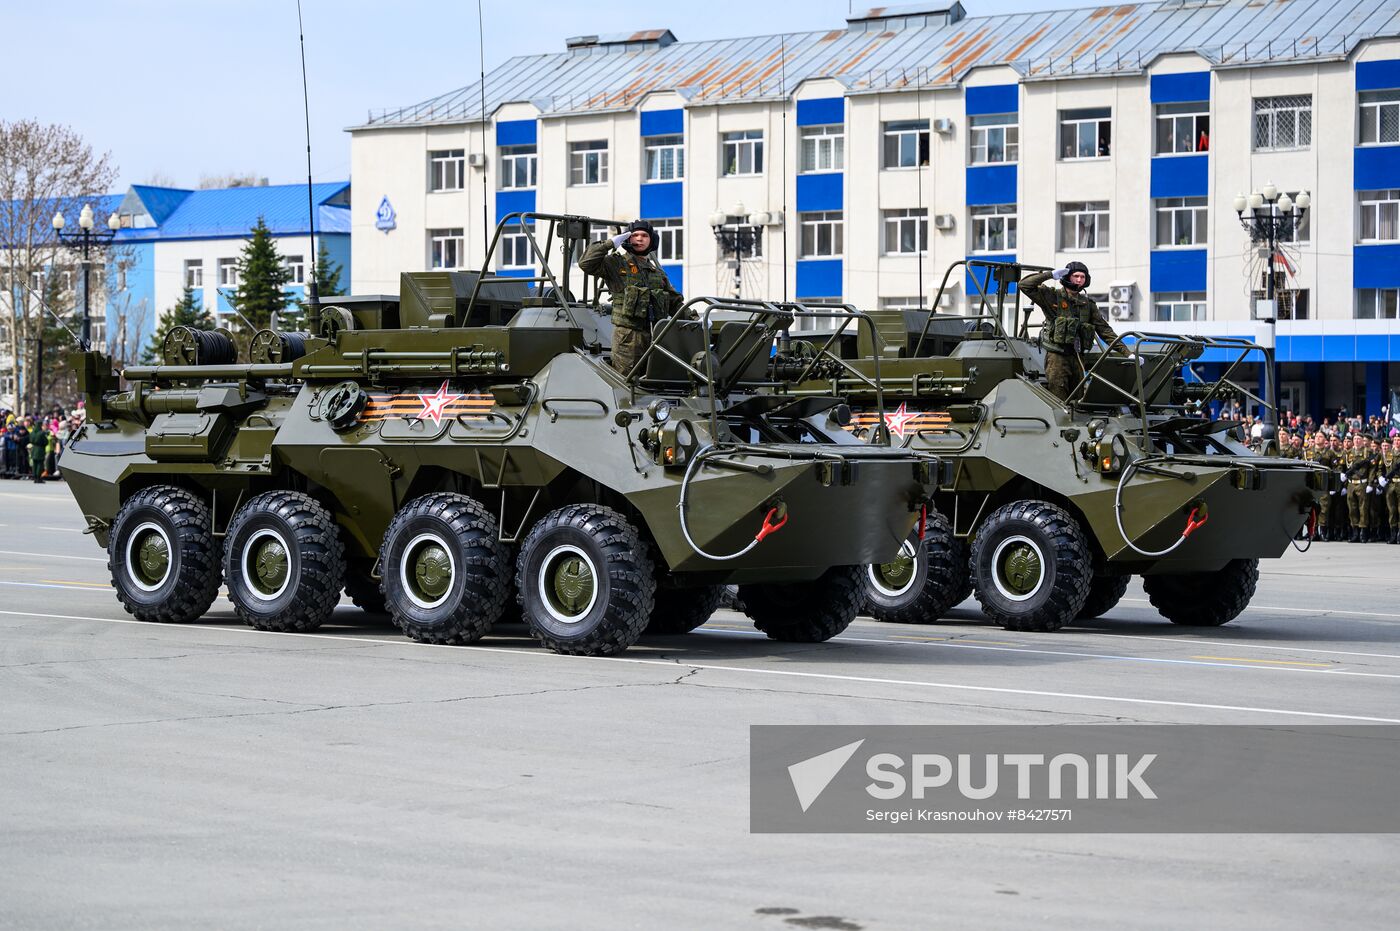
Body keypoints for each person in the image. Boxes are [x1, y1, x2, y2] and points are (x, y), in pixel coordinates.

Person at [578, 220, 684, 376]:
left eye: (644, 235)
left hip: (654, 337)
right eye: (634, 235)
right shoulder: (616, 264)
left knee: (651, 381)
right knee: (626, 382)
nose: (639, 239)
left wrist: (695, 319)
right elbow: (586, 263)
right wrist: (609, 244)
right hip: (627, 338)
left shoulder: (656, 273)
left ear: (652, 240)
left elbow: (675, 303)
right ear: (627, 239)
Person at [1019, 261, 1127, 401]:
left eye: (1082, 277)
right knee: (1059, 397)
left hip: (1077, 357)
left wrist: (1127, 353)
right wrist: (1050, 275)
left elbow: (1104, 330)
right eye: (1076, 276)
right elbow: (1024, 285)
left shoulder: (1088, 304)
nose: (1079, 280)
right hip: (1057, 357)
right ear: (1067, 277)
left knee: (1078, 399)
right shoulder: (1052, 296)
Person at [28, 419, 47, 484]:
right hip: (40, 450)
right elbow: (46, 442)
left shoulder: (32, 433)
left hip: (34, 449)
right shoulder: (41, 433)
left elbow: (30, 440)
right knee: (40, 464)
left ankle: (35, 477)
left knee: (34, 464)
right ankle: (38, 478)